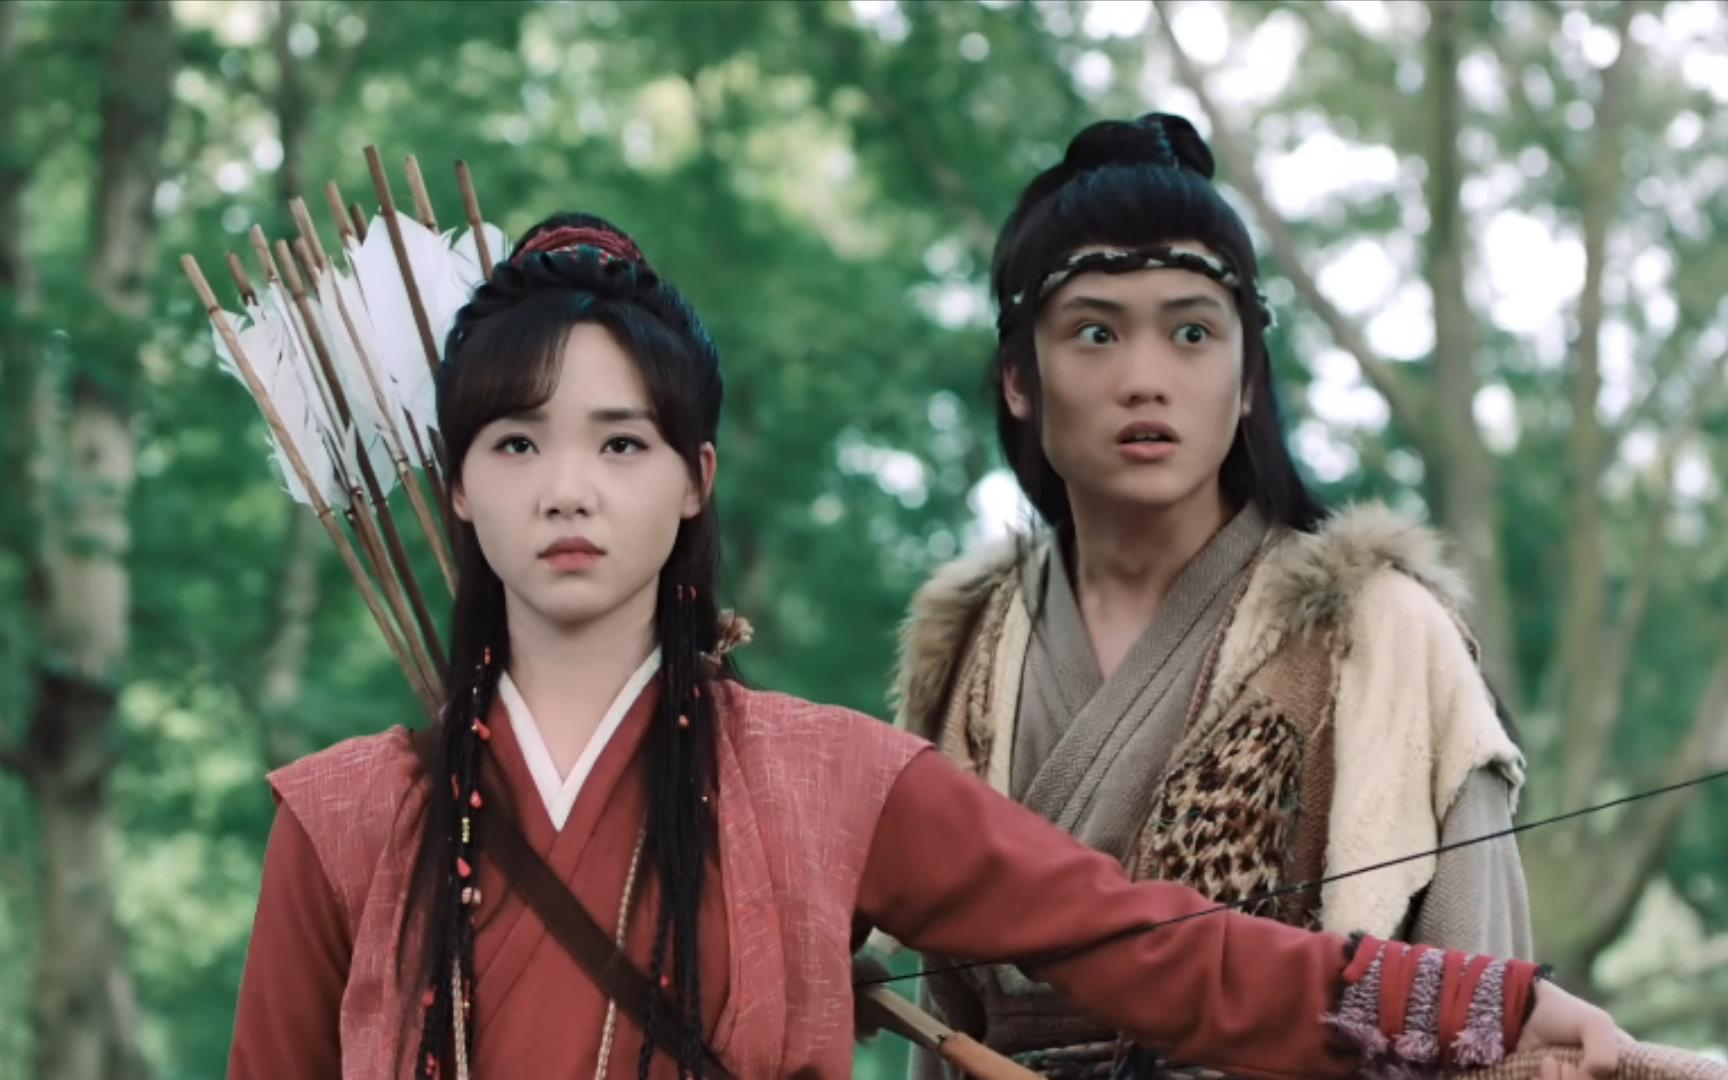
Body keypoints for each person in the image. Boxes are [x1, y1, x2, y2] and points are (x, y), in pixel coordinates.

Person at [226, 213, 1616, 1079]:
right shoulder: (344, 822)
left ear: (695, 481)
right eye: (517, 443)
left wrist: (1477, 1007)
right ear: (458, 490)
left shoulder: (833, 781)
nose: (568, 490)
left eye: (621, 443)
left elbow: (1150, 946)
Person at [892, 113, 1534, 1078]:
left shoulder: (1381, 631)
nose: (1145, 380)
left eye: (1192, 332)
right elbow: (944, 1033)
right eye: (1095, 332)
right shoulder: (970, 649)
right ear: (1020, 378)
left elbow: (1481, 1006)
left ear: (1246, 380)